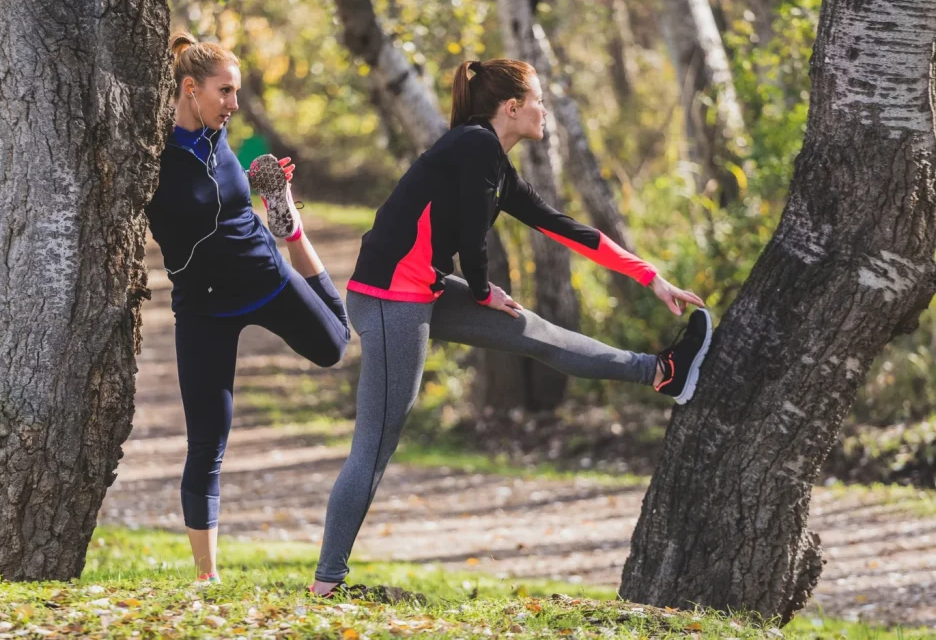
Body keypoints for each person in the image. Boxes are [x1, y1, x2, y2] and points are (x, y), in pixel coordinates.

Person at [309, 58, 712, 595]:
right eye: (540, 100)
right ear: (513, 107)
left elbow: (566, 229)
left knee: (533, 332)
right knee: (375, 443)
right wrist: (480, 291)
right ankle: (327, 584)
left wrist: (651, 278)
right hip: (388, 300)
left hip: (420, 289)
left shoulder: (494, 164)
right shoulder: (473, 146)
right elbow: (474, 240)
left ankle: (662, 373)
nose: (545, 110)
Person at [145, 32, 351, 584]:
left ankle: (287, 220)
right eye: (225, 91)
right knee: (208, 438)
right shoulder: (152, 155)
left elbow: (246, 153)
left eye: (235, 92)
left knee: (336, 344)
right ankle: (206, 576)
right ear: (191, 90)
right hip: (203, 308)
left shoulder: (221, 134)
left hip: (266, 277)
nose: (234, 103)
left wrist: (270, 193)